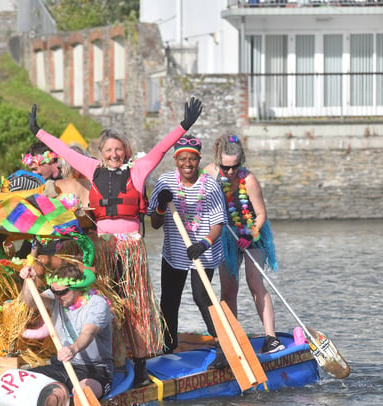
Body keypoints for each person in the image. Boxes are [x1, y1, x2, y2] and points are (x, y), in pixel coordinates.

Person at [28, 97, 203, 387]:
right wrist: (39, 132)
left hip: (130, 248)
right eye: (108, 150)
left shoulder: (138, 169)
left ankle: (140, 363)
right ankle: (113, 357)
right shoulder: (92, 169)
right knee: (108, 301)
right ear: (101, 153)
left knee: (134, 304)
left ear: (126, 152)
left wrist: (183, 126)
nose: (113, 154)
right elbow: (63, 152)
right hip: (103, 247)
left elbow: (160, 149)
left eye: (118, 150)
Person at [204, 134, 283, 354]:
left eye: (235, 167)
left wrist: (250, 235)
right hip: (225, 235)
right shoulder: (209, 174)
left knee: (254, 282)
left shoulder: (249, 180)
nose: (230, 172)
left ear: (242, 161)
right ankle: (232, 338)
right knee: (229, 289)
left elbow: (260, 214)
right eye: (225, 167)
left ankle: (271, 338)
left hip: (251, 233)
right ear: (218, 161)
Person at [148, 135, 227, 354]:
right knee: (169, 300)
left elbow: (218, 224)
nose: (187, 164)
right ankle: (168, 345)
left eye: (192, 159)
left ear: (198, 160)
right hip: (174, 252)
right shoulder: (164, 182)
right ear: (176, 160)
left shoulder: (210, 185)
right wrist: (162, 206)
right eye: (182, 159)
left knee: (201, 297)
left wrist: (204, 244)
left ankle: (222, 342)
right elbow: (154, 223)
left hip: (204, 252)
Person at [18, 263, 114, 399]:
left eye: (61, 292)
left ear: (76, 288)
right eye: (54, 291)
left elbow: (89, 332)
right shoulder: (57, 298)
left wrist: (73, 349)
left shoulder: (97, 303)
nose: (56, 296)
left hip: (94, 370)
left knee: (82, 394)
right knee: (22, 379)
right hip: (63, 366)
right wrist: (29, 281)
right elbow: (31, 301)